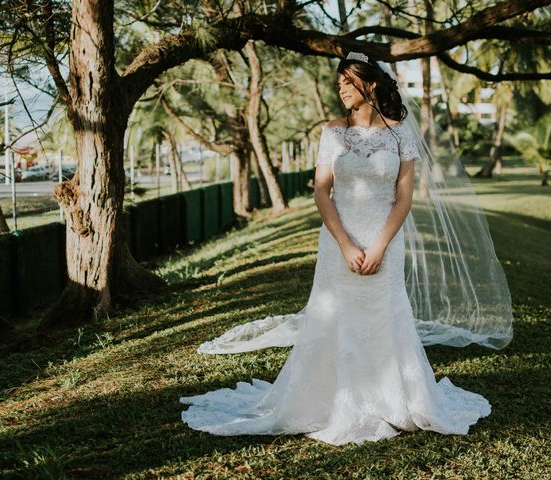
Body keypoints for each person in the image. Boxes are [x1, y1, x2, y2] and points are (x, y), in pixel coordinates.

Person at [178, 51, 512, 446]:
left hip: (385, 238)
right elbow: (322, 191)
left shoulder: (401, 132)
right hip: (339, 238)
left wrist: (379, 247)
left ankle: (391, 396)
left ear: (369, 84)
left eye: (346, 83)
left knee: (385, 312)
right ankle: (328, 396)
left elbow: (403, 198)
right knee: (332, 313)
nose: (340, 91)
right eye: (338, 84)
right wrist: (347, 244)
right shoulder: (332, 132)